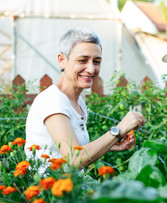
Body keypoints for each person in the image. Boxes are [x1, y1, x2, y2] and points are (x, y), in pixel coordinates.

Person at [25, 27, 145, 171]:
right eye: (82, 60)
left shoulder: (78, 102)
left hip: (73, 187)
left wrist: (111, 145)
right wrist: (118, 130)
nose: (91, 69)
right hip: (50, 190)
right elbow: (74, 159)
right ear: (62, 60)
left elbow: (74, 150)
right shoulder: (52, 100)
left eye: (96, 61)